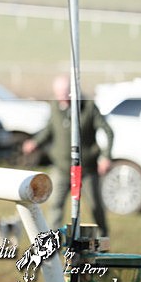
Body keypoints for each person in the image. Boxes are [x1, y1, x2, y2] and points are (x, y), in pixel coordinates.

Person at [22, 74, 114, 236]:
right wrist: (35, 142)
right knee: (55, 205)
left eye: (65, 93)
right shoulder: (55, 106)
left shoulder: (89, 107)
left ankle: (102, 242)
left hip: (87, 169)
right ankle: (52, 244)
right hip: (62, 168)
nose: (62, 97)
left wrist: (106, 156)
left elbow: (108, 131)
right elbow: (50, 129)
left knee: (95, 208)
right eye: (58, 93)